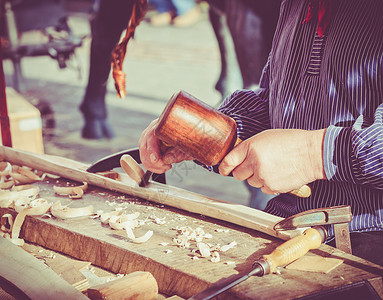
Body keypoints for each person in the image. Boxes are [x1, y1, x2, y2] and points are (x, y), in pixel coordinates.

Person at [139, 0, 383, 266]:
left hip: (369, 240)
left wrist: (313, 154)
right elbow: (274, 99)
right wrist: (206, 134)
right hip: (288, 227)